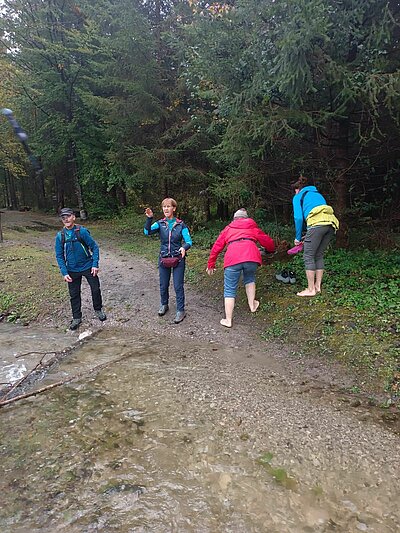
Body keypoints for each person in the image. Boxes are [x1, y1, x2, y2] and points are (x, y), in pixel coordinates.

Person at [206, 208, 275, 328]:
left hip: (233, 258)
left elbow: (217, 246)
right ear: (246, 218)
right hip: (251, 257)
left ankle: (228, 320)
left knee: (229, 289)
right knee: (250, 278)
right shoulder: (252, 227)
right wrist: (271, 250)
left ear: (235, 219)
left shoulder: (228, 229)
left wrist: (211, 264)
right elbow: (268, 242)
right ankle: (252, 305)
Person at [55, 207, 107, 330]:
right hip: (71, 269)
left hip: (88, 266)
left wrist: (95, 264)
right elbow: (59, 255)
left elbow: (94, 247)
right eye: (63, 217)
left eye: (68, 216)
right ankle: (77, 317)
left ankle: (98, 309)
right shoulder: (60, 236)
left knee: (95, 289)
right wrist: (64, 272)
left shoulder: (81, 231)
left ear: (73, 217)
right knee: (74, 294)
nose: (66, 219)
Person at [144, 198, 192, 324]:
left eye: (168, 206)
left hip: (178, 259)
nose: (166, 209)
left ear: (174, 209)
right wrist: (149, 218)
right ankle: (164, 304)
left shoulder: (181, 225)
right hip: (164, 258)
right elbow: (146, 232)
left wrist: (184, 247)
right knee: (163, 284)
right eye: (164, 207)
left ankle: (181, 310)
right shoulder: (160, 224)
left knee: (178, 286)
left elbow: (189, 241)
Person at [292, 175, 339, 297]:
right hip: (330, 224)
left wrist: (297, 238)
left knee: (308, 255)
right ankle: (317, 286)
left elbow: (298, 217)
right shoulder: (318, 194)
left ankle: (310, 289)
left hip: (316, 224)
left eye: (295, 191)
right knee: (318, 254)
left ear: (298, 189)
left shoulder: (298, 196)